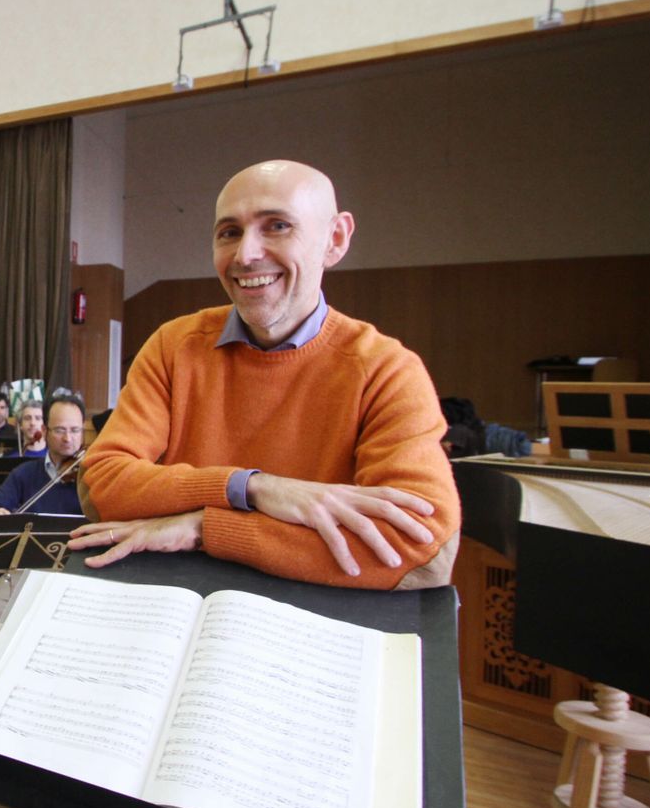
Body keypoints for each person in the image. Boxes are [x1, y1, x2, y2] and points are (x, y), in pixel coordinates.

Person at [70, 160, 460, 591]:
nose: (245, 255)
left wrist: (204, 528)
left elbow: (419, 548)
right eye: (229, 232)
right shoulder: (173, 345)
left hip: (313, 621)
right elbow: (102, 486)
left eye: (276, 226)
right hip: (174, 603)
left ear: (335, 239)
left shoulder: (387, 370)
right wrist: (252, 488)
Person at [0, 394, 86, 645]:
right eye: (60, 430)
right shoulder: (25, 473)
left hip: (82, 568)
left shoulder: (93, 474)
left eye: (75, 430)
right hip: (31, 568)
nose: (69, 438)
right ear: (45, 430)